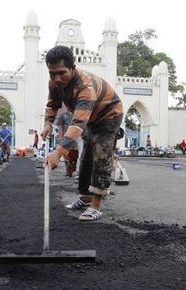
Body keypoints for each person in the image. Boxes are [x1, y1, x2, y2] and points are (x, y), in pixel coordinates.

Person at [41, 46, 123, 222]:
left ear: (72, 68)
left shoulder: (85, 86)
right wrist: (48, 123)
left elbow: (78, 123)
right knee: (85, 156)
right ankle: (85, 197)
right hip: (91, 118)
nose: (57, 78)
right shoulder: (54, 82)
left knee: (101, 155)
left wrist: (58, 152)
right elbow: (52, 104)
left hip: (109, 115)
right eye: (52, 73)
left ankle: (96, 205)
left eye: (61, 73)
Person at [56, 111, 78, 177]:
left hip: (75, 137)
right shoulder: (63, 116)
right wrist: (60, 136)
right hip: (66, 138)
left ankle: (73, 167)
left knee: (75, 154)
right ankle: (68, 170)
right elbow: (59, 126)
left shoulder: (77, 115)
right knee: (66, 154)